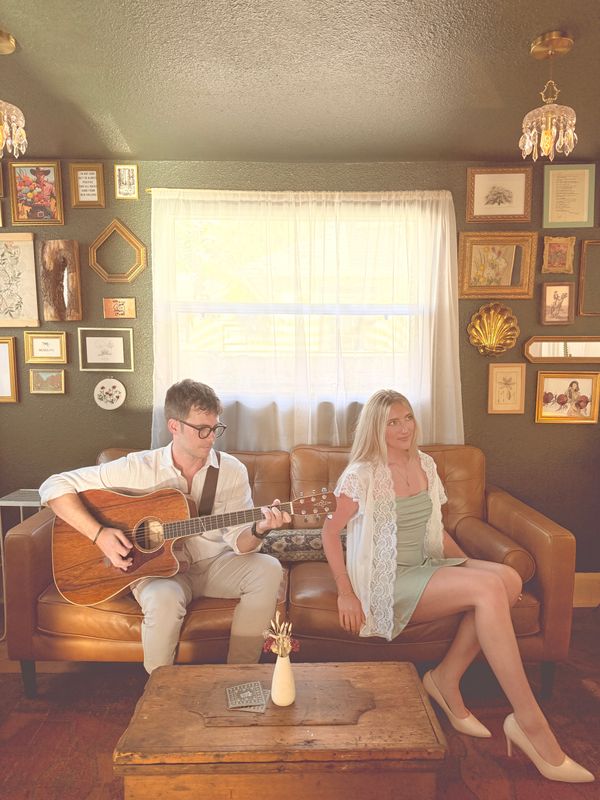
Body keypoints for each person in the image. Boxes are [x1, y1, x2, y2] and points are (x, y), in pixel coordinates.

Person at [321, 389, 594, 784]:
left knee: (508, 579)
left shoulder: (425, 464)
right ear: (376, 429)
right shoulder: (362, 474)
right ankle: (530, 721)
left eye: (407, 417)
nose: (404, 428)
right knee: (488, 590)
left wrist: (470, 567)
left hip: (425, 564)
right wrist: (346, 592)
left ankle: (445, 678)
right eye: (392, 422)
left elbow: (436, 531)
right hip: (387, 580)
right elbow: (329, 532)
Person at [40, 379, 290, 674]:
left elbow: (240, 543)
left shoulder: (231, 471)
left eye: (215, 428)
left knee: (268, 568)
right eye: (202, 429)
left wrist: (260, 529)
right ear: (174, 426)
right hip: (157, 572)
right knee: (163, 598)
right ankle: (159, 689)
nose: (211, 438)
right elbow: (53, 485)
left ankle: (238, 675)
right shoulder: (137, 468)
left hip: (212, 566)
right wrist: (99, 534)